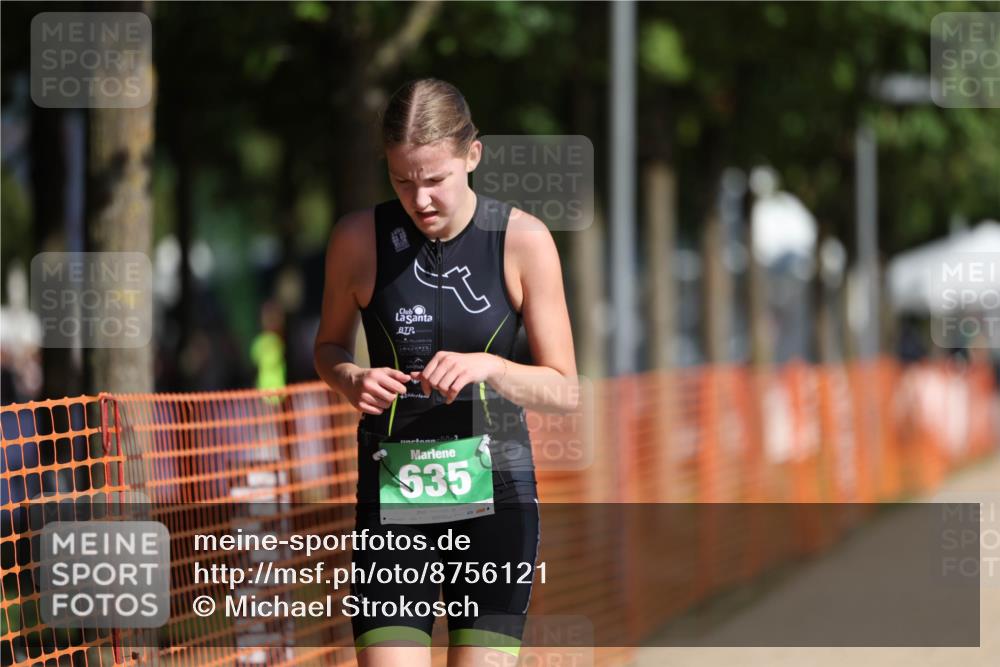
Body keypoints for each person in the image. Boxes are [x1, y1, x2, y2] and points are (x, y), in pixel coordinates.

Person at [314, 78, 577, 667]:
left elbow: (563, 388)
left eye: (435, 179)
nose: (421, 198)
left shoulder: (523, 240)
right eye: (403, 181)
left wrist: (491, 365)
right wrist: (351, 378)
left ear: (472, 156)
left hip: (496, 499)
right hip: (394, 496)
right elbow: (327, 347)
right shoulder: (358, 240)